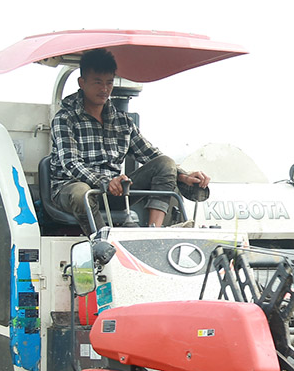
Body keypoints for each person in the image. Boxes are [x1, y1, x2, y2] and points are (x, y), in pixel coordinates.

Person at [49, 48, 210, 233]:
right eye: (97, 82)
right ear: (82, 83)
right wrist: (105, 182)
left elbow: (150, 154)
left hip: (115, 191)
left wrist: (183, 176)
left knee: (165, 163)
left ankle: (153, 232)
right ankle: (103, 243)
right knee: (81, 192)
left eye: (109, 83)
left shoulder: (122, 121)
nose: (104, 89)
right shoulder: (65, 118)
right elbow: (71, 163)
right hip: (71, 190)